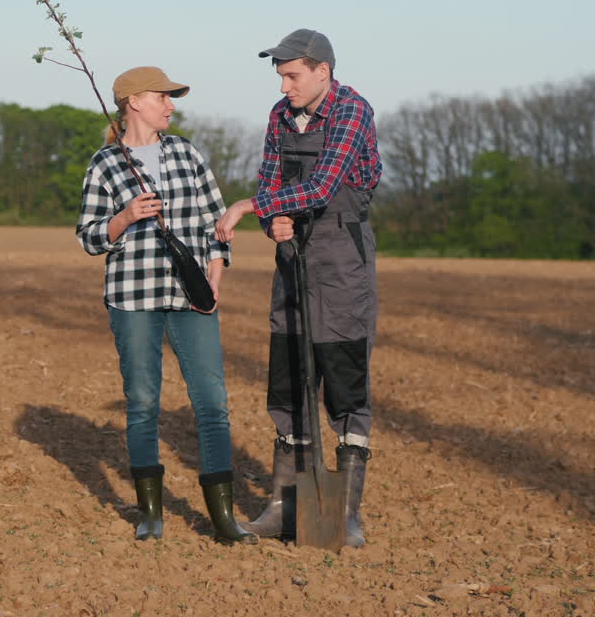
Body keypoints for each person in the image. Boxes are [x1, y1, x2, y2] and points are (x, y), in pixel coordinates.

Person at [214, 29, 382, 547]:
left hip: (341, 258)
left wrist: (250, 208)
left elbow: (324, 186)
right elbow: (272, 183)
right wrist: (273, 224)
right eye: (281, 77)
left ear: (322, 72)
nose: (284, 86)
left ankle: (344, 514)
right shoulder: (278, 116)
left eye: (292, 76)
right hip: (292, 259)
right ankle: (284, 506)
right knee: (288, 375)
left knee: (342, 372)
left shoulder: (352, 111)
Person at [77, 66, 256, 544]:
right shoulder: (105, 164)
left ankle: (223, 518)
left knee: (213, 404)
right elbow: (90, 238)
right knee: (142, 404)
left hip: (192, 297)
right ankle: (151, 514)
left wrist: (215, 274)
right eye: (163, 97)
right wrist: (125, 217)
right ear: (134, 101)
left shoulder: (186, 153)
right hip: (132, 297)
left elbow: (215, 220)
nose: (171, 105)